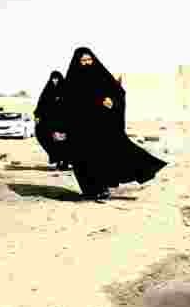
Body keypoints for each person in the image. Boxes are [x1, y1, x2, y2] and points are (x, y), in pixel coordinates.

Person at [59, 46, 167, 202]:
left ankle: (101, 190)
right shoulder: (71, 83)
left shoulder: (102, 77)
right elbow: (65, 105)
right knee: (81, 161)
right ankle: (90, 191)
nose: (87, 63)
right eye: (83, 61)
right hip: (79, 129)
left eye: (89, 60)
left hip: (101, 127)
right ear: (77, 62)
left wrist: (113, 102)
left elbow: (118, 94)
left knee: (99, 159)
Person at [33, 70, 69, 170]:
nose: (55, 80)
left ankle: (65, 163)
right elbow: (41, 104)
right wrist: (37, 115)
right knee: (51, 142)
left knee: (64, 143)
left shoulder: (66, 90)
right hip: (50, 122)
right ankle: (57, 161)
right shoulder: (47, 90)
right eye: (53, 78)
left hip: (63, 123)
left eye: (57, 78)